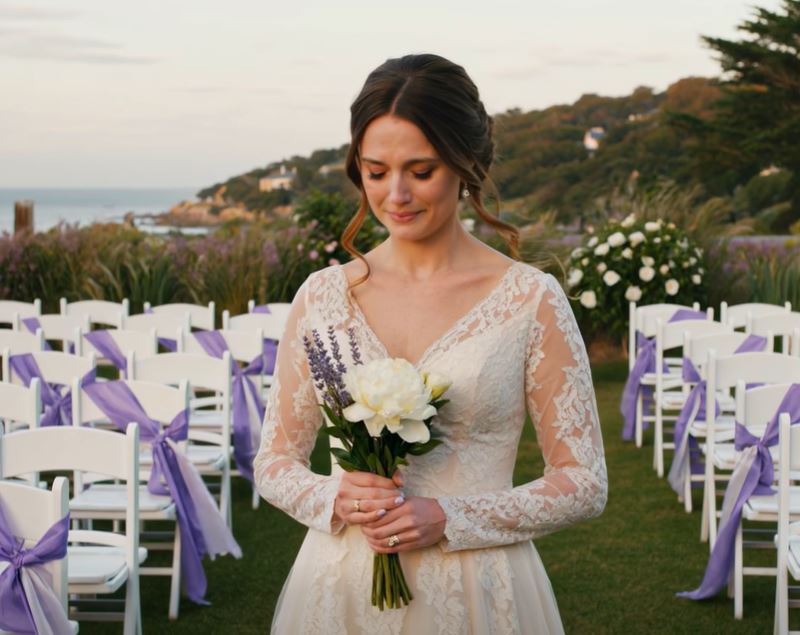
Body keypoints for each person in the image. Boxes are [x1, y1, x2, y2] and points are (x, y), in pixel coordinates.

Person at [254, 53, 607, 634]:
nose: (395, 195)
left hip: (479, 592)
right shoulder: (322, 296)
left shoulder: (529, 299)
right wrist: (333, 497)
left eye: (420, 171)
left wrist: (453, 516)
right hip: (339, 588)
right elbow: (274, 461)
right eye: (375, 171)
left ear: (465, 166)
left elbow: (584, 481)